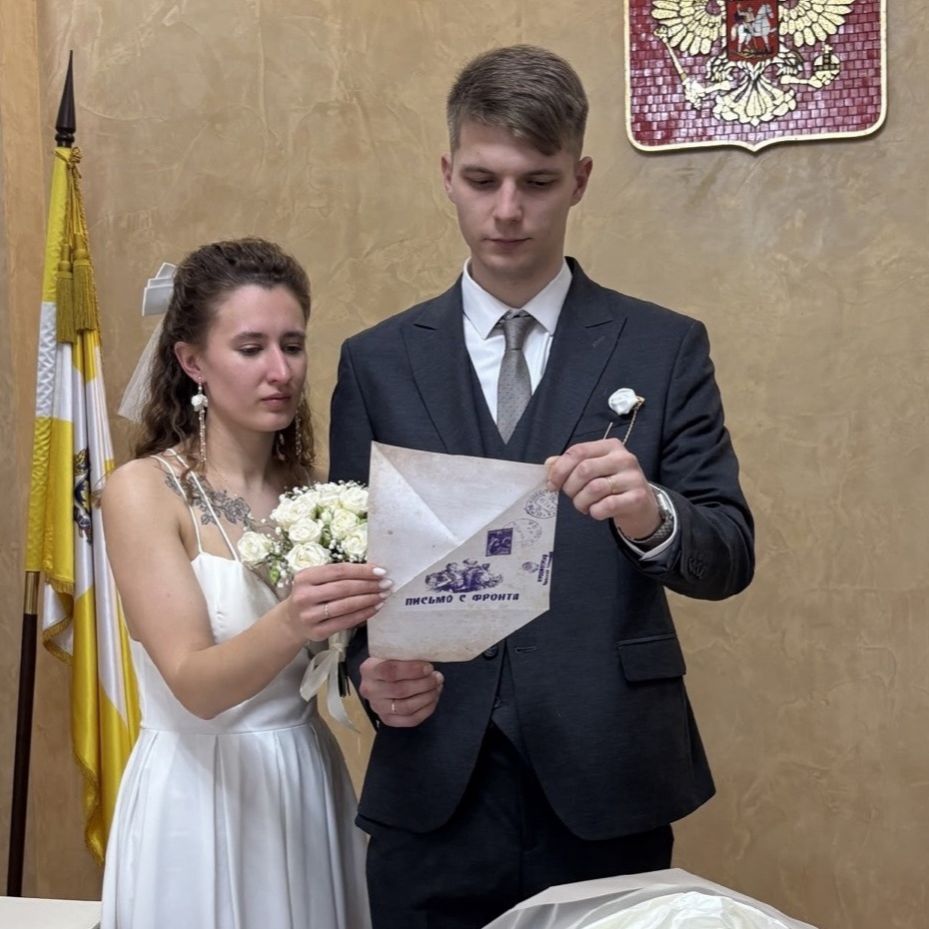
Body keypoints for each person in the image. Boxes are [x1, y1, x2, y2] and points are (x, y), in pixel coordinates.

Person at [328, 45, 755, 929]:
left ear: (580, 179)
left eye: (537, 181)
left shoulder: (663, 346)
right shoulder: (375, 362)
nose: (507, 210)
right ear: (446, 174)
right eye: (482, 179)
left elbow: (729, 553)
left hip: (608, 774)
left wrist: (651, 513)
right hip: (431, 780)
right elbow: (347, 570)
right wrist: (367, 670)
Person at [100, 238, 380, 929]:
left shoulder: (321, 496)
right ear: (192, 361)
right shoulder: (143, 491)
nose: (280, 371)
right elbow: (194, 685)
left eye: (293, 345)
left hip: (303, 783)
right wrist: (292, 619)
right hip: (196, 796)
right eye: (251, 348)